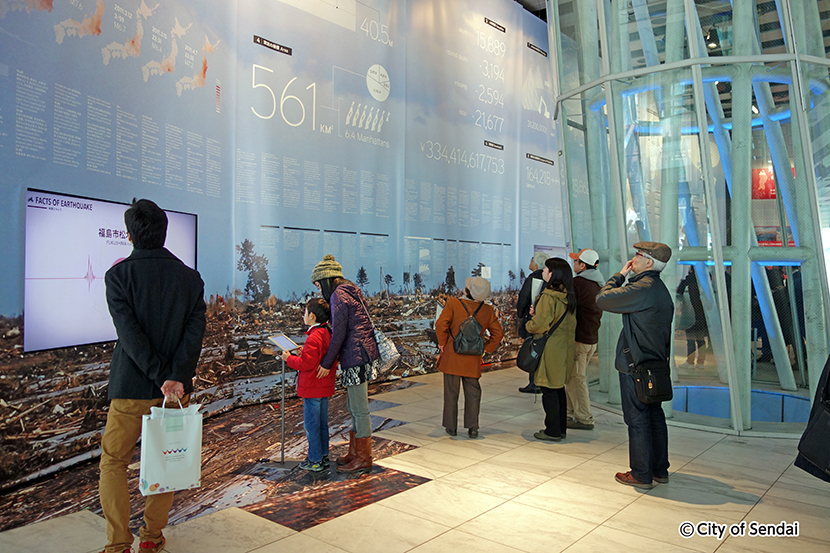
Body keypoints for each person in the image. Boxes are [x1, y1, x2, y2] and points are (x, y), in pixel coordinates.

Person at [99, 199, 206, 553]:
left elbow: (129, 335)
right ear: (164, 232)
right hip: (173, 393)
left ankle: (118, 544)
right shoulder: (190, 279)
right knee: (167, 459)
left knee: (113, 461)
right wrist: (173, 376)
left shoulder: (117, 277)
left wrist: (159, 374)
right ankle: (151, 537)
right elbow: (194, 334)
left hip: (130, 388)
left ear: (129, 235)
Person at [596, 241, 673, 489]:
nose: (633, 259)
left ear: (649, 263)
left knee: (638, 419)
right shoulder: (659, 288)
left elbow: (603, 299)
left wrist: (620, 274)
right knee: (655, 417)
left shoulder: (643, 288)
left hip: (636, 365)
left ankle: (641, 473)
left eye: (638, 255)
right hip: (654, 365)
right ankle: (660, 470)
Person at [312, 254, 380, 473]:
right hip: (358, 354)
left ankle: (364, 457)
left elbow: (339, 333)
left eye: (317, 283)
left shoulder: (338, 296)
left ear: (326, 280)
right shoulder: (350, 289)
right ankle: (354, 452)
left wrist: (326, 362)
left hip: (356, 357)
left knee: (359, 409)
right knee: (353, 406)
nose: (316, 287)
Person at [436, 277, 504, 438]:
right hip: (473, 357)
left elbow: (441, 325)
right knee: (473, 393)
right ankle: (473, 427)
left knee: (451, 392)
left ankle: (451, 427)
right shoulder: (487, 310)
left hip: (453, 354)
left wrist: (442, 343)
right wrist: (485, 350)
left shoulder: (453, 303)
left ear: (467, 291)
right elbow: (498, 333)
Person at [281, 298, 337, 472]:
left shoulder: (314, 336)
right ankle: (323, 455)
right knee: (321, 424)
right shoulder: (326, 333)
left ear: (311, 316)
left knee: (311, 425)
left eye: (305, 312)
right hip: (323, 387)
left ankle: (314, 460)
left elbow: (306, 364)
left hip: (313, 389)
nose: (303, 315)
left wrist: (289, 358)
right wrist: (303, 351)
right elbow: (317, 357)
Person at [527, 258, 577, 442]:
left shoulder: (548, 296)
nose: (543, 272)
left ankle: (552, 430)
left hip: (550, 349)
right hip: (564, 348)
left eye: (546, 269)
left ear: (553, 274)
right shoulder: (568, 295)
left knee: (548, 390)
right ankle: (560, 428)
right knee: (558, 389)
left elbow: (540, 325)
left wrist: (529, 324)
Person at [566, 249, 604, 430]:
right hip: (591, 339)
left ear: (583, 265)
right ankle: (571, 412)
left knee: (577, 378)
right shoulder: (598, 283)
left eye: (576, 262)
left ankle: (584, 417)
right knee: (575, 377)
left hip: (579, 339)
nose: (573, 264)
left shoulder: (578, 283)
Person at [515, 251, 549, 393]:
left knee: (532, 350)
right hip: (547, 322)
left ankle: (534, 383)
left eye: (531, 259)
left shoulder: (532, 279)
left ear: (536, 264)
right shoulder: (550, 279)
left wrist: (521, 314)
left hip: (533, 320)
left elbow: (523, 300)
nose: (529, 262)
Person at [676, 266, 708, 369]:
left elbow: (679, 293)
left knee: (690, 339)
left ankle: (690, 361)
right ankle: (701, 362)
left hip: (690, 315)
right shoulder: (706, 280)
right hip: (702, 315)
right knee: (701, 340)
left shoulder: (688, 280)